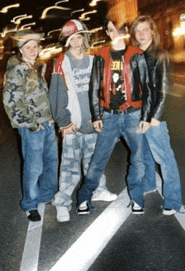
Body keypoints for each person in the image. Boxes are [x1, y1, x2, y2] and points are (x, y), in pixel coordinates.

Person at [76, 19, 153, 215]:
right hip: (109, 115)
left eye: (114, 29)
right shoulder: (101, 56)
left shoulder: (137, 55)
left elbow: (147, 87)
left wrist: (146, 115)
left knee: (138, 159)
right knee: (98, 159)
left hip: (133, 114)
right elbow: (94, 88)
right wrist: (96, 115)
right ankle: (84, 197)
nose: (111, 33)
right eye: (109, 30)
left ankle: (137, 199)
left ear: (123, 31)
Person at [49, 20, 117, 223]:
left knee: (94, 163)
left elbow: (104, 89)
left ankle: (98, 191)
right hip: (73, 125)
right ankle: (62, 203)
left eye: (79, 37)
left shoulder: (94, 60)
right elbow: (56, 95)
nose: (76, 41)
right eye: (72, 38)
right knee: (69, 168)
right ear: (67, 41)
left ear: (85, 38)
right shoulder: (61, 62)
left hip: (93, 122)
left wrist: (101, 115)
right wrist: (64, 123)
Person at [130, 15, 185, 215]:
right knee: (145, 153)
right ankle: (149, 184)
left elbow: (164, 89)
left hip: (153, 116)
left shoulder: (160, 55)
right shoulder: (135, 55)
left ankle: (173, 200)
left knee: (164, 157)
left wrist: (155, 118)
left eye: (146, 30)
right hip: (137, 113)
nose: (142, 34)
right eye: (138, 31)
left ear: (153, 31)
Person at [2, 29, 58, 222]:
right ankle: (30, 204)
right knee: (34, 167)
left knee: (50, 163)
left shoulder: (34, 67)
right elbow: (11, 103)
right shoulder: (16, 70)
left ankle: (47, 195)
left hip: (47, 124)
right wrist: (32, 125)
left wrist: (50, 117)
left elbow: (40, 97)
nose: (33, 50)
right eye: (28, 47)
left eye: (35, 46)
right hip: (33, 128)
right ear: (20, 49)